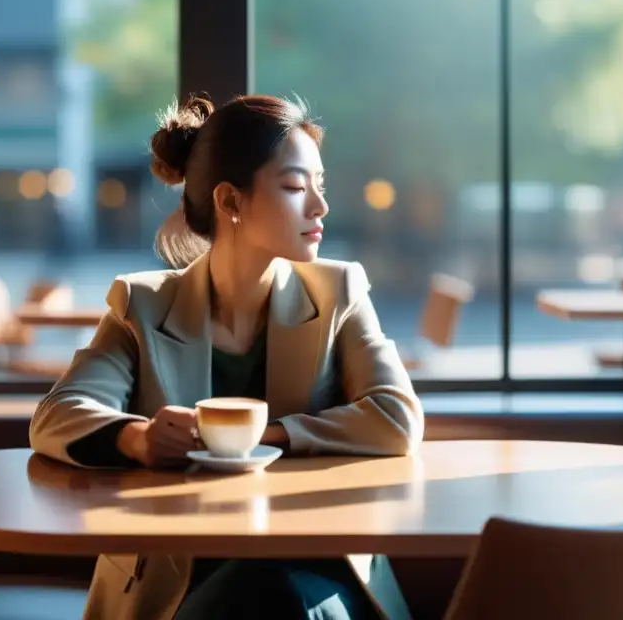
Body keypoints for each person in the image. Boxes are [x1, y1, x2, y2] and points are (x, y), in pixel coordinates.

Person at [29, 94, 424, 620]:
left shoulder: (339, 293)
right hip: (180, 581)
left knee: (273, 586)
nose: (319, 207)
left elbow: (397, 418)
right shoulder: (142, 305)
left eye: (319, 186)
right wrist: (138, 437)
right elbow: (56, 416)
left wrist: (258, 436)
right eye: (294, 187)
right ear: (231, 202)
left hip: (317, 570)